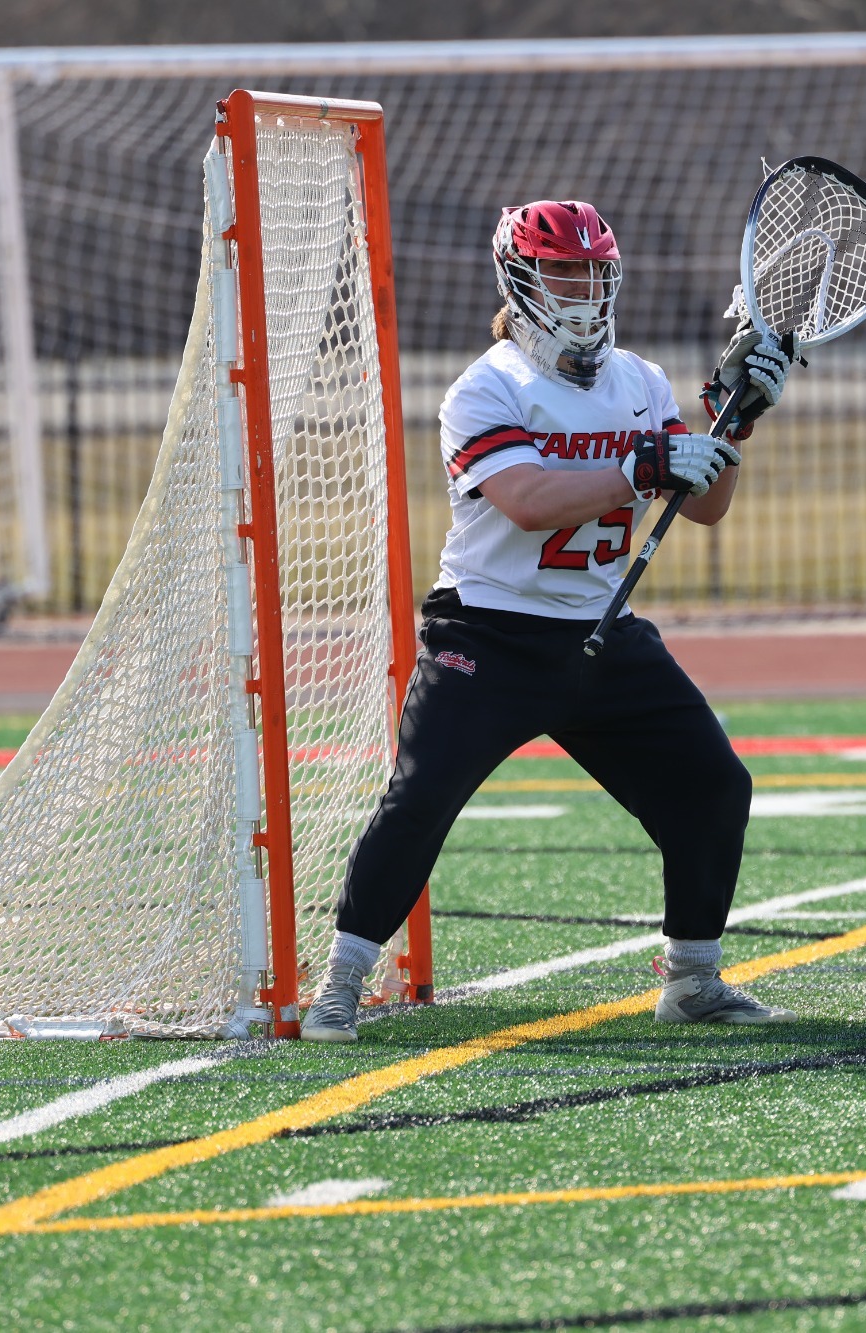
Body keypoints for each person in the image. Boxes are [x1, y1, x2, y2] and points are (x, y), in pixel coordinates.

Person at [301, 199, 798, 1042]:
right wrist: (643, 462)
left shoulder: (637, 380)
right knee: (420, 798)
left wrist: (732, 418)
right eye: (563, 271)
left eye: (593, 272)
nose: (581, 288)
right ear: (520, 280)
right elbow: (526, 500)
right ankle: (342, 976)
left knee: (714, 785)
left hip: (603, 633)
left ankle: (693, 978)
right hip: (488, 635)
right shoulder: (487, 387)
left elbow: (705, 504)